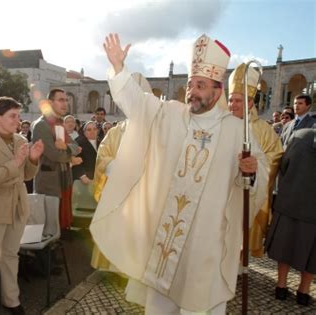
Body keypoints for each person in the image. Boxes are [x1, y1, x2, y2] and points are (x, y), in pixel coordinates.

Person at [90, 33, 268, 314]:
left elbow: (254, 176)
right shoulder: (170, 115)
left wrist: (251, 172)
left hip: (206, 242)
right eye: (189, 84)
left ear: (217, 90)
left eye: (200, 85)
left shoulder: (236, 130)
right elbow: (138, 104)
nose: (192, 91)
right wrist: (118, 69)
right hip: (165, 240)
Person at [0, 97, 43, 315]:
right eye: (13, 116)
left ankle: (11, 300)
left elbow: (27, 176)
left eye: (18, 115)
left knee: (11, 255)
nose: (18, 120)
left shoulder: (21, 140)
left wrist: (32, 159)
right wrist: (15, 163)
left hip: (18, 205)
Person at [227, 63, 284, 257]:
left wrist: (255, 166)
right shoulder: (222, 125)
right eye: (230, 100)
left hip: (248, 192)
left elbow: (275, 155)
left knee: (240, 235)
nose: (232, 105)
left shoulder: (263, 129)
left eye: (238, 101)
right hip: (223, 191)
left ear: (250, 103)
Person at [265, 127, 316, 306]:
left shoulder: (300, 135)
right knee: (312, 254)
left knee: (284, 246)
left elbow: (283, 164)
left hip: (290, 201)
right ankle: (303, 291)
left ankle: (281, 286)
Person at [32, 88, 79, 231]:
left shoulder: (59, 124)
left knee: (60, 226)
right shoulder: (41, 125)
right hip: (50, 183)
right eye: (61, 100)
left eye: (66, 100)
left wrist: (65, 146)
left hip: (63, 179)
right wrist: (70, 157)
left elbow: (77, 146)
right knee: (48, 227)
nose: (65, 104)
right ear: (50, 103)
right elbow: (54, 155)